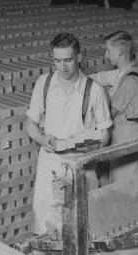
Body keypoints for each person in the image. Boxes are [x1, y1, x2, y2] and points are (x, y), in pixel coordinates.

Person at [26, 32, 112, 238]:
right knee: (47, 224)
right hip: (50, 165)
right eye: (57, 60)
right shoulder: (44, 84)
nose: (62, 67)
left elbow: (105, 131)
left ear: (79, 58)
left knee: (82, 225)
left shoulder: (95, 90)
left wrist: (92, 151)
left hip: (80, 165)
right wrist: (41, 139)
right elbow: (30, 123)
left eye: (67, 60)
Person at [90, 30, 138, 184]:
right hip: (120, 135)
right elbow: (100, 77)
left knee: (123, 185)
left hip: (128, 136)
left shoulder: (130, 82)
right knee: (113, 182)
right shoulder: (122, 74)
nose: (105, 55)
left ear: (121, 51)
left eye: (108, 50)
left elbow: (109, 115)